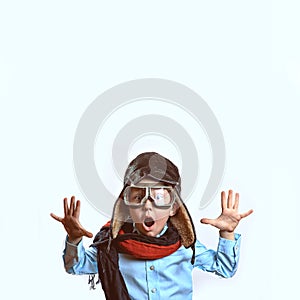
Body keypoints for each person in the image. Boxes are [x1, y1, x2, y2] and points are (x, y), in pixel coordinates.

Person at [50, 152, 253, 300]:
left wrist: (227, 233)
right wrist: (74, 239)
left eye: (158, 196)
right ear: (127, 207)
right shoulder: (112, 247)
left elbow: (225, 268)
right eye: (137, 197)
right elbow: (76, 266)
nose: (148, 205)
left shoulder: (185, 246)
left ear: (174, 207)